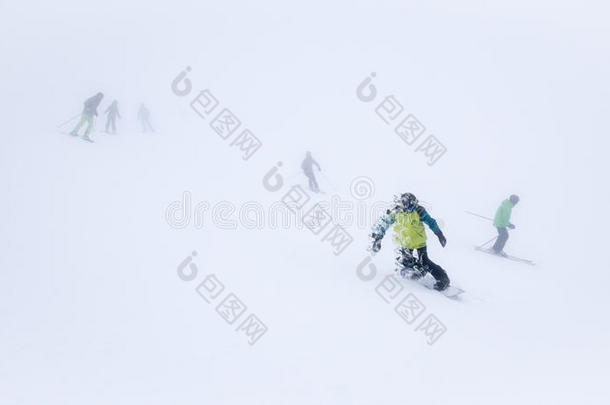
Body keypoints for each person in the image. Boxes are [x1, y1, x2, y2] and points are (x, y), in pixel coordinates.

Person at [370, 193, 450, 291]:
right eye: (410, 207)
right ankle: (417, 276)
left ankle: (443, 279)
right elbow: (384, 223)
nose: (412, 209)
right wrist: (378, 237)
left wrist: (439, 234)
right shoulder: (396, 211)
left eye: (413, 207)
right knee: (405, 263)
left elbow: (431, 222)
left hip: (419, 242)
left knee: (424, 261)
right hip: (405, 243)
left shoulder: (419, 211)